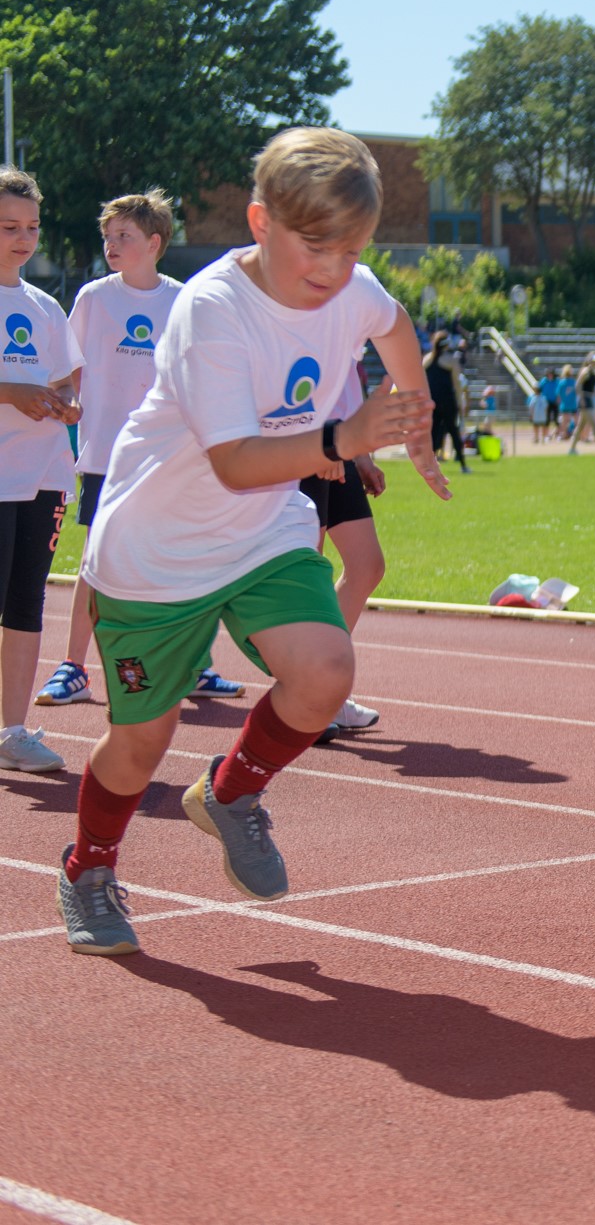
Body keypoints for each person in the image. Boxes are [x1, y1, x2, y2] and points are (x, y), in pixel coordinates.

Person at [54, 127, 451, 955]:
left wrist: (415, 414)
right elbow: (234, 461)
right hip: (158, 547)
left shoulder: (348, 280)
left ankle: (231, 794)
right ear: (260, 220)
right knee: (140, 742)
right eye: (316, 246)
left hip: (264, 529)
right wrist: (346, 437)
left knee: (325, 672)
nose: (335, 270)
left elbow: (395, 321)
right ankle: (88, 864)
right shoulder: (212, 311)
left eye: (352, 250)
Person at [39, 190, 243, 709]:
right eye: (108, 237)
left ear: (153, 243)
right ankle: (74, 668)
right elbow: (68, 370)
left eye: (123, 236)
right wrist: (69, 408)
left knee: (183, 562)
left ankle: (193, 665)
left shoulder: (183, 300)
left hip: (173, 459)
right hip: (109, 456)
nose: (111, 244)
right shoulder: (93, 298)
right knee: (96, 561)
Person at [0, 167, 82, 776]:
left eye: (31, 226)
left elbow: (63, 377)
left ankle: (13, 731)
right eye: (8, 226)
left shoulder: (45, 306)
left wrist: (61, 401)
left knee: (26, 603)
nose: (22, 238)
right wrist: (12, 392)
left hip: (45, 472)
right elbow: (18, 385)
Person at [301, 356, 389, 742]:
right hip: (304, 440)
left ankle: (325, 692)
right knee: (308, 575)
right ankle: (306, 697)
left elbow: (346, 380)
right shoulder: (313, 301)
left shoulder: (354, 302)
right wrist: (322, 442)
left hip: (340, 443)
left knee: (367, 565)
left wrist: (361, 455)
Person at [424, 330, 470, 473]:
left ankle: (429, 465)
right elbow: (457, 383)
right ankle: (463, 465)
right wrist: (459, 402)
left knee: (432, 433)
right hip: (447, 401)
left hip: (432, 402)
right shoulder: (451, 360)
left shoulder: (426, 360)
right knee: (454, 432)